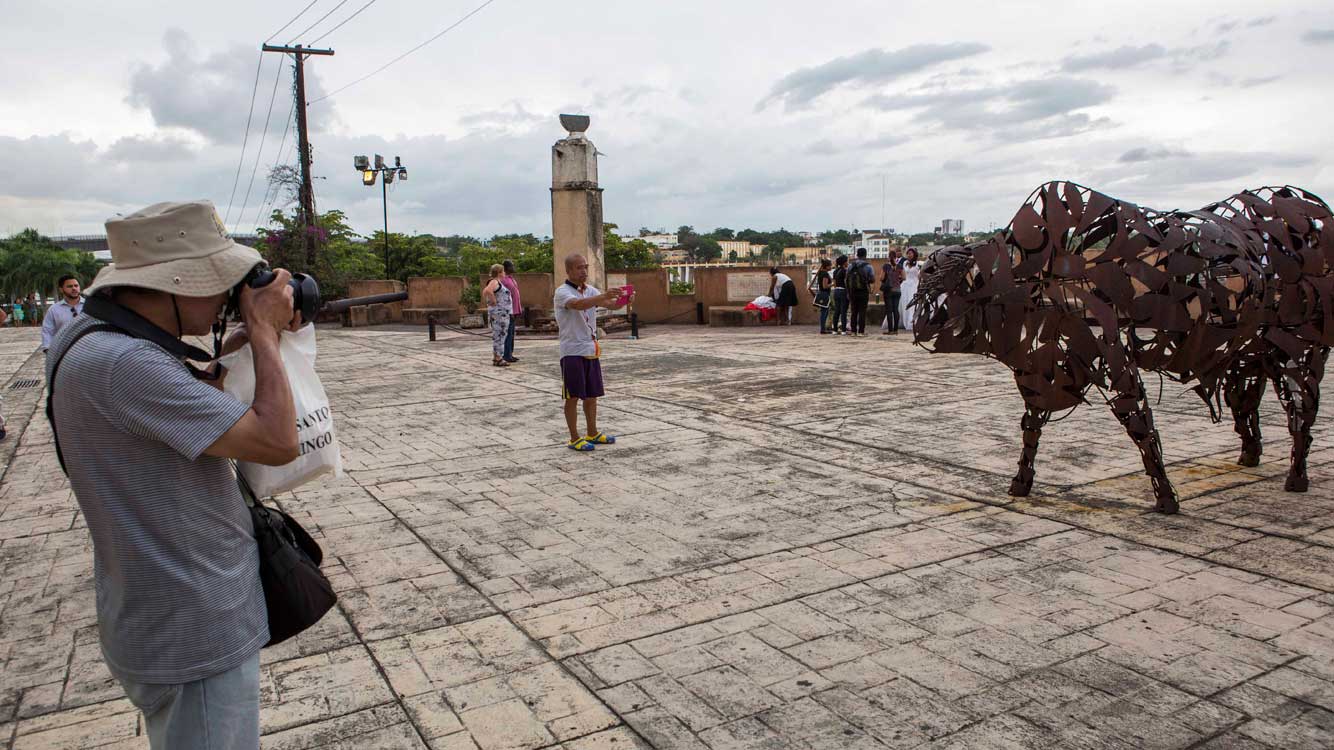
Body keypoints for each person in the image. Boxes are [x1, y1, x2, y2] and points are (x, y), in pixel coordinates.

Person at [46, 200, 302, 750]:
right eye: (219, 281)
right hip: (192, 621)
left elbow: (177, 399)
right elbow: (278, 440)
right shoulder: (123, 363)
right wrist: (260, 328)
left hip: (157, 603)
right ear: (176, 284)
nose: (226, 293)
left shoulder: (90, 337)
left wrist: (233, 348)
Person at [555, 254, 632, 451]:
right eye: (579, 268)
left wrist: (624, 300)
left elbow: (610, 305)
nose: (583, 271)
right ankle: (574, 437)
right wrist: (602, 296)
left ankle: (592, 432)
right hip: (572, 350)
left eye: (585, 267)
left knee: (591, 395)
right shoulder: (562, 292)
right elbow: (578, 305)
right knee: (572, 396)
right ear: (569, 271)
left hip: (590, 349)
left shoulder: (590, 290)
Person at [42, 274, 85, 351]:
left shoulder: (90, 306)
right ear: (61, 289)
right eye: (69, 286)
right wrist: (48, 349)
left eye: (76, 285)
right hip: (63, 353)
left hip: (89, 351)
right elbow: (48, 331)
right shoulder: (54, 309)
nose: (74, 288)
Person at [482, 264, 513, 367]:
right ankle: (498, 357)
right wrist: (494, 301)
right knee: (499, 336)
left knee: (500, 336)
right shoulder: (494, 281)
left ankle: (497, 356)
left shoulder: (496, 282)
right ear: (499, 272)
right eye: (503, 271)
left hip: (502, 314)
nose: (504, 273)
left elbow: (486, 291)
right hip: (499, 314)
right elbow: (487, 291)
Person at [847, 247, 875, 337]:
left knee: (854, 311)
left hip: (853, 291)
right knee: (862, 311)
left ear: (857, 255)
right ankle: (861, 331)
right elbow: (872, 279)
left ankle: (853, 331)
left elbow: (847, 278)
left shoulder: (851, 265)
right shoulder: (868, 266)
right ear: (865, 255)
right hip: (863, 291)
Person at [500, 259, 522, 363]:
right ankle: (506, 355)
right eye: (512, 266)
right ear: (507, 268)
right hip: (509, 311)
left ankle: (510, 354)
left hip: (515, 310)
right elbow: (505, 297)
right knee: (508, 333)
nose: (514, 267)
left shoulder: (511, 279)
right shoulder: (504, 280)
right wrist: (510, 311)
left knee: (512, 333)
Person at [880, 252, 904, 335]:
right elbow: (904, 277)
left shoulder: (886, 266)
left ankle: (890, 330)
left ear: (889, 257)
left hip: (888, 290)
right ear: (895, 257)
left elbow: (881, 278)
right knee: (895, 310)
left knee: (889, 310)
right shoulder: (900, 266)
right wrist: (898, 279)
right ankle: (895, 330)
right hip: (897, 290)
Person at [900, 247, 922, 331]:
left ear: (914, 254)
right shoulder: (905, 263)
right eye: (908, 253)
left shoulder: (918, 264)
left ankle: (911, 321)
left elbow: (920, 275)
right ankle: (904, 320)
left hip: (914, 285)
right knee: (904, 302)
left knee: (912, 302)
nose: (909, 255)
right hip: (905, 285)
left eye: (911, 253)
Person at [810, 258, 833, 334]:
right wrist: (833, 284)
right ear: (826, 266)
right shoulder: (825, 274)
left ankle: (823, 328)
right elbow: (825, 286)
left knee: (824, 312)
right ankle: (823, 329)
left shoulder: (820, 273)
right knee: (824, 312)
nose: (831, 267)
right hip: (824, 294)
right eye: (830, 266)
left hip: (822, 293)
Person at [831, 255, 849, 335]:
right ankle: (843, 330)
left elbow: (834, 283)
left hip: (836, 291)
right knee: (843, 311)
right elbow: (846, 282)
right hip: (843, 291)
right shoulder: (845, 271)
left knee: (837, 311)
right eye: (847, 261)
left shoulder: (835, 271)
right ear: (844, 262)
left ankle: (834, 330)